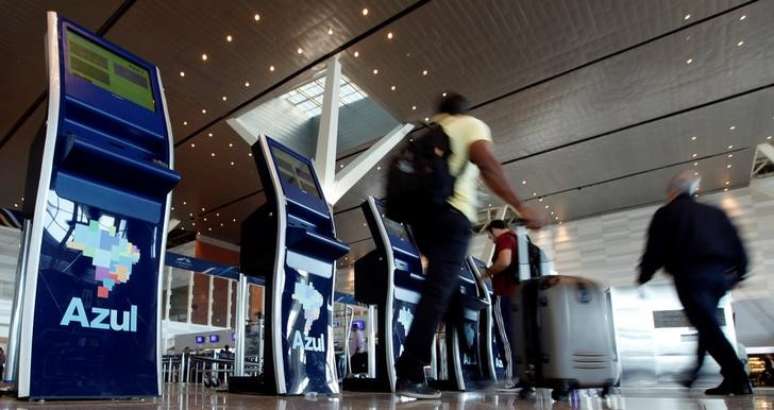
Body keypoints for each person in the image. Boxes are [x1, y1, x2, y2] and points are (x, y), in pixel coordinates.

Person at [394, 93, 544, 399]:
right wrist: (520, 206)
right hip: (451, 216)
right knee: (439, 290)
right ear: (464, 109)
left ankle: (470, 358)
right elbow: (486, 162)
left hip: (422, 221)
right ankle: (410, 371)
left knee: (446, 290)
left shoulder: (433, 129)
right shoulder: (470, 125)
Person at [637, 171, 751, 396]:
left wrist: (644, 276)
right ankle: (708, 373)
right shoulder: (715, 212)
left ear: (673, 191)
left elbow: (655, 249)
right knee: (706, 325)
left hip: (691, 276)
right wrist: (740, 274)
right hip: (721, 277)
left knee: (706, 325)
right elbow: (738, 243)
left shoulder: (667, 213)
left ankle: (737, 376)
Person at [482, 220, 521, 390]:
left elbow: (504, 261)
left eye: (490, 235)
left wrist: (487, 272)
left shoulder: (504, 238)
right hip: (518, 296)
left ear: (494, 229)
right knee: (516, 337)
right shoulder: (517, 239)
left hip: (505, 295)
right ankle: (522, 378)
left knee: (505, 336)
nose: (491, 239)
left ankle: (512, 378)